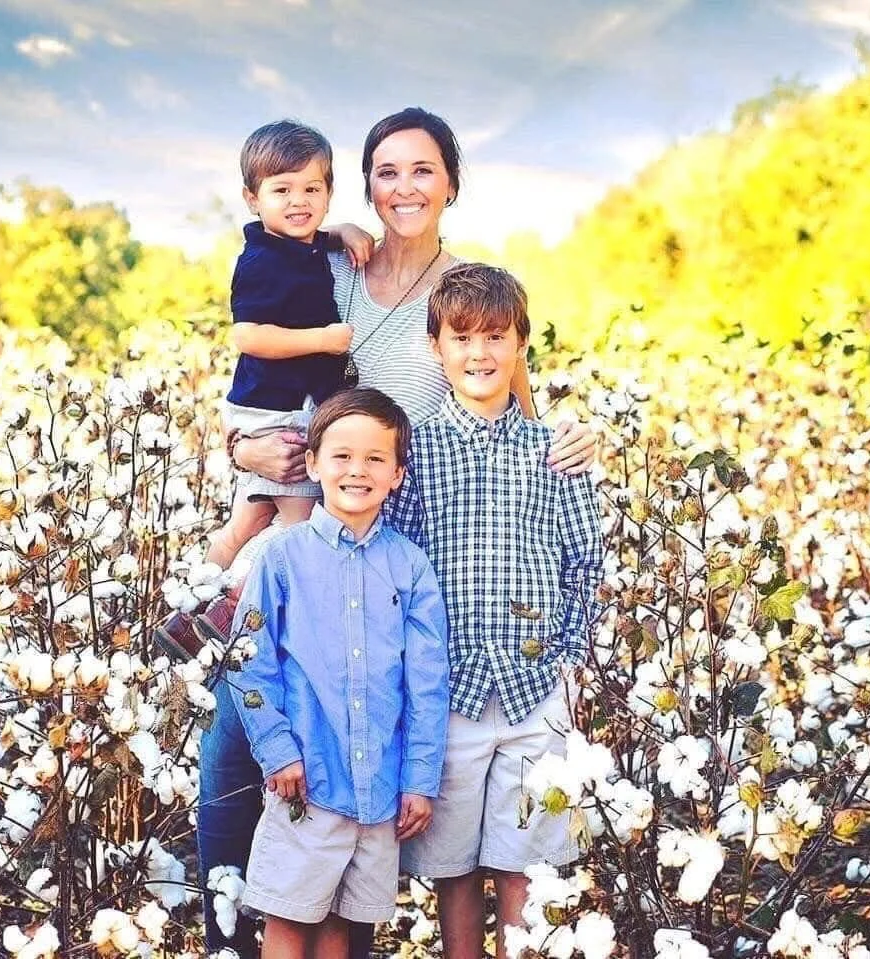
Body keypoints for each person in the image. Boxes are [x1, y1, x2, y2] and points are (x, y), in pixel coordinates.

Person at [196, 107, 598, 956]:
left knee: (357, 798)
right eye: (386, 170)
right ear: (364, 185)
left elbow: (513, 405)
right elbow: (262, 374)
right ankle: (224, 927)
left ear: (451, 181)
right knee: (240, 750)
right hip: (313, 536)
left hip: (405, 565)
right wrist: (236, 442)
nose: (404, 187)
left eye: (422, 170)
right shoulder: (334, 269)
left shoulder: (469, 291)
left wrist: (573, 439)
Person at [385, 263, 604, 959]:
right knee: (451, 862)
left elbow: (583, 565)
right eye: (462, 337)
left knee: (521, 858)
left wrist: (569, 662)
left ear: (519, 344)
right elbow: (397, 563)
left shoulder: (554, 451)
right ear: (436, 347)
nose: (479, 353)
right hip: (446, 687)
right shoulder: (413, 449)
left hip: (534, 688)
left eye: (495, 336)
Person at [227, 388, 449, 959]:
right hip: (306, 777)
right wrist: (278, 750)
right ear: (314, 464)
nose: (358, 470)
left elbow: (426, 683)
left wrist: (419, 778)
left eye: (376, 458)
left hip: (380, 785)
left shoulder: (410, 565)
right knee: (292, 915)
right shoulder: (282, 558)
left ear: (398, 474)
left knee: (343, 927)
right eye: (343, 456)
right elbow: (248, 663)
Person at [155, 119, 370, 660]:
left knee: (249, 519)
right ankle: (230, 613)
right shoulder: (260, 261)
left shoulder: (304, 245)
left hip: (271, 407)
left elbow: (315, 234)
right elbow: (247, 334)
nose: (299, 202)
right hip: (278, 414)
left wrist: (342, 231)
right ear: (253, 199)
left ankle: (188, 606)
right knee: (304, 531)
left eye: (312, 189)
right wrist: (324, 339)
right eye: (282, 190)